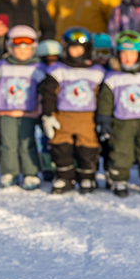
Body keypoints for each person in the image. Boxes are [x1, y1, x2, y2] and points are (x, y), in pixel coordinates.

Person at [98, 38, 140, 196]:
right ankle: (119, 179)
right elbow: (106, 102)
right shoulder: (112, 78)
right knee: (121, 150)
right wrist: (104, 120)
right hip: (121, 121)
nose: (127, 58)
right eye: (123, 54)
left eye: (131, 54)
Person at [41, 28, 105, 193]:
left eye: (79, 48)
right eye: (72, 48)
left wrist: (102, 118)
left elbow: (102, 97)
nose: (75, 52)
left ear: (88, 49)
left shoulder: (96, 72)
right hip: (63, 117)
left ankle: (87, 178)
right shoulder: (58, 70)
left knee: (88, 149)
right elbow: (49, 94)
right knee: (61, 148)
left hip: (87, 118)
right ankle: (64, 177)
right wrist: (48, 115)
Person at [0, 25, 47, 187]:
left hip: (28, 113)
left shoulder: (38, 68)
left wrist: (43, 110)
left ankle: (31, 172)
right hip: (6, 112)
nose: (22, 52)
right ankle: (10, 172)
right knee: (8, 144)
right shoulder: (1, 67)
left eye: (26, 49)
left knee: (28, 143)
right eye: (18, 49)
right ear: (10, 48)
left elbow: (44, 91)